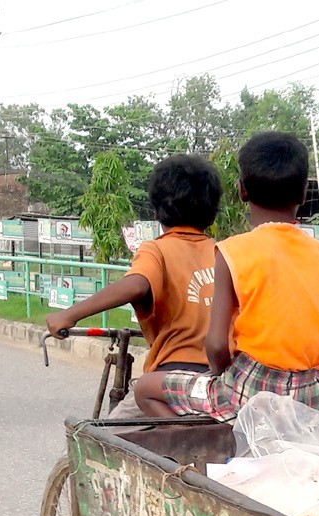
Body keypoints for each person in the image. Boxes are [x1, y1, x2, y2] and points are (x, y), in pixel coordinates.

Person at [161, 131, 319, 419]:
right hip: (311, 396)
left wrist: (224, 375)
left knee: (147, 388)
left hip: (248, 388)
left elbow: (215, 345)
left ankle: (206, 445)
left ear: (242, 190)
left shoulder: (232, 251)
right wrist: (299, 375)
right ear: (303, 193)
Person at [45, 153, 222, 417]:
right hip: (220, 380)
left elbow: (137, 285)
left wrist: (69, 315)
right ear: (213, 212)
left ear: (156, 210)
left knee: (97, 440)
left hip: (171, 378)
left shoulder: (157, 250)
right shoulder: (225, 252)